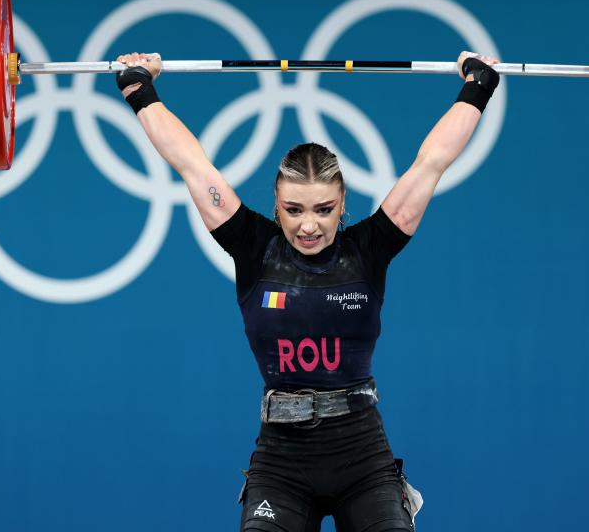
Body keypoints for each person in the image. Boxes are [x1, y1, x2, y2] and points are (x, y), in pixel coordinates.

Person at [115, 50, 500, 532]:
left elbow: (432, 162)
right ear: (275, 205)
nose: (309, 225)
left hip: (362, 458)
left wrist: (478, 85)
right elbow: (190, 162)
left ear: (343, 206)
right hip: (282, 462)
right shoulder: (252, 247)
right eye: (294, 209)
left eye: (323, 209)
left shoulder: (370, 247)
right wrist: (138, 88)